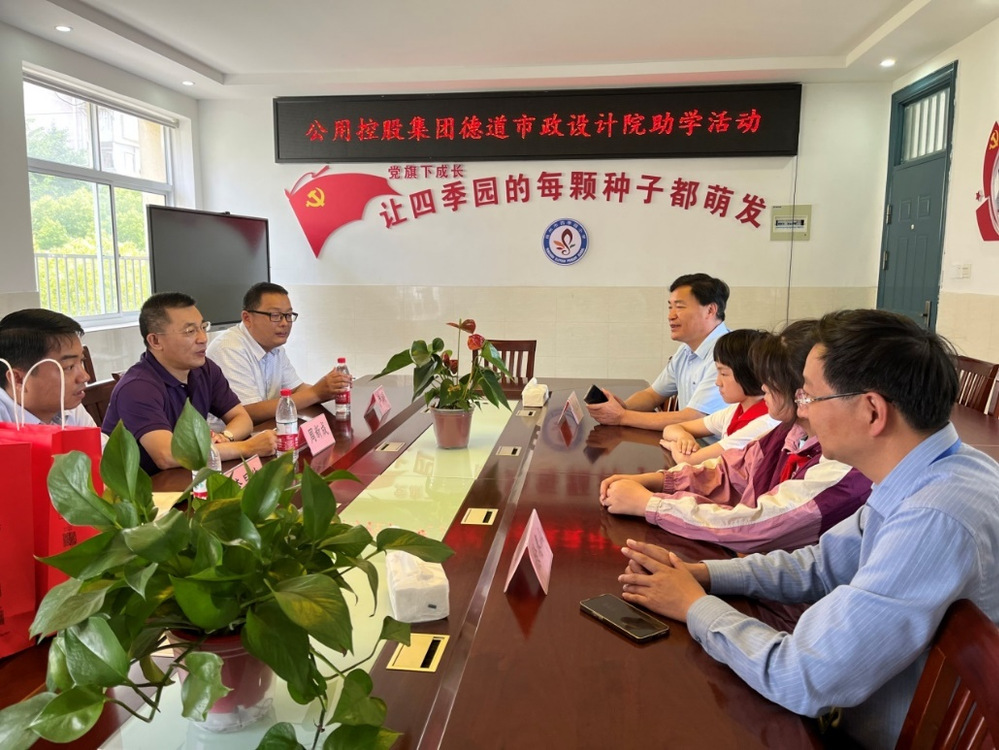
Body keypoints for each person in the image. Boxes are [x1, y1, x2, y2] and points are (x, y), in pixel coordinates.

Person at [617, 309, 999, 749]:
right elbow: (824, 563)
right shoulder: (932, 468)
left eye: (810, 397)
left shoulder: (933, 518)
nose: (801, 411)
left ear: (872, 411)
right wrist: (705, 574)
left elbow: (803, 677)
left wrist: (694, 607)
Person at [599, 320, 871, 553]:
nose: (764, 387)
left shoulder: (844, 467)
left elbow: (756, 525)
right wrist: (659, 481)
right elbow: (729, 472)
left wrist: (650, 504)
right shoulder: (789, 432)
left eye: (773, 379)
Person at [103, 292, 277, 474]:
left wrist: (225, 437)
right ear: (155, 341)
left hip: (188, 476)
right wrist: (247, 448)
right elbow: (166, 455)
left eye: (203, 327)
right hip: (149, 488)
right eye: (190, 331)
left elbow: (242, 418)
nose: (203, 338)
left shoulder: (204, 369)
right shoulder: (137, 388)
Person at [587, 273, 730, 433]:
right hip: (685, 441)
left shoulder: (728, 354)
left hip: (714, 447)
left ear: (710, 310)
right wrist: (622, 407)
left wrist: (621, 416)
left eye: (679, 307)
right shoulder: (685, 350)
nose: (670, 316)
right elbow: (653, 395)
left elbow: (694, 417)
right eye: (670, 307)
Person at [206, 282, 351, 423]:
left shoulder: (275, 346)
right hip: (230, 436)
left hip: (267, 428)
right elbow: (247, 412)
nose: (284, 323)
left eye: (288, 315)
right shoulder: (229, 348)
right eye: (275, 315)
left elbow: (296, 389)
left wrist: (330, 390)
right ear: (247, 318)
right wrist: (316, 393)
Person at [659, 328, 778, 466]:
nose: (717, 382)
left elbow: (689, 460)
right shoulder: (734, 410)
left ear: (749, 374)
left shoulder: (764, 424)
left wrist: (673, 446)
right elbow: (671, 428)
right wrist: (683, 437)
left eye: (724, 374)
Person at [0, 309, 100, 433]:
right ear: (18, 379)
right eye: (69, 367)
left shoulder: (67, 405)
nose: (85, 377)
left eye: (81, 361)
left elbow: (100, 445)